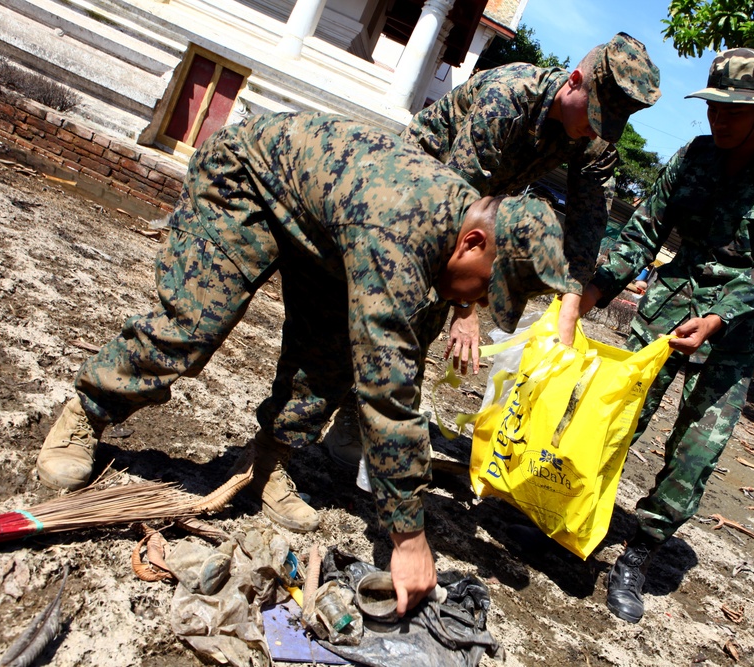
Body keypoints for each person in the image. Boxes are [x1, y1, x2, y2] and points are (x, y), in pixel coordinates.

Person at [36, 111, 569, 616]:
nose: (473, 301)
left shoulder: (451, 226)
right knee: (194, 325)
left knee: (328, 361)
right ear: (473, 241)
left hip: (323, 225)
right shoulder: (399, 231)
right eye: (484, 287)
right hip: (245, 180)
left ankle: (266, 464)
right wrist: (408, 537)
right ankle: (86, 413)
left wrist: (463, 301)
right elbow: (388, 387)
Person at [323, 32, 661, 467]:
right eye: (595, 116)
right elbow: (457, 196)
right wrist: (464, 308)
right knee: (395, 308)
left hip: (473, 212)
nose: (597, 130)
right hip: (414, 188)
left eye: (609, 125)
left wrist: (568, 312)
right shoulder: (508, 96)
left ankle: (368, 421)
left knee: (425, 316)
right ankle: (334, 418)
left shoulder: (595, 141)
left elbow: (586, 227)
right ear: (574, 80)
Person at [578, 48, 754, 623]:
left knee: (695, 454)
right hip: (664, 312)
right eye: (716, 105)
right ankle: (575, 512)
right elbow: (642, 231)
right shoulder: (691, 157)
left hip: (731, 333)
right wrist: (595, 292)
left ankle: (639, 551)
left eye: (735, 110)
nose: (721, 119)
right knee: (615, 419)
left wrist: (717, 318)